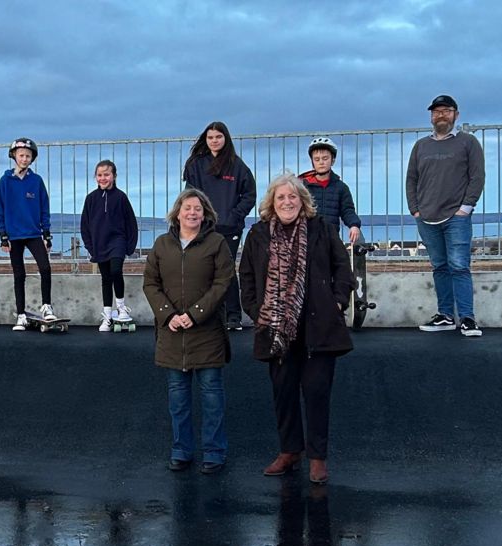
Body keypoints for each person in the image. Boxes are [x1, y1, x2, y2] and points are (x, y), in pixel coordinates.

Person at [239, 173, 354, 485]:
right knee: (284, 393)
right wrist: (256, 311)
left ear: (303, 201)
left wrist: (338, 302)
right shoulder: (258, 234)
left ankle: (317, 458)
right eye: (281, 197)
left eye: (292, 197)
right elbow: (246, 275)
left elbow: (342, 267)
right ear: (271, 203)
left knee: (316, 393)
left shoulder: (321, 229)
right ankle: (290, 451)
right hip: (276, 329)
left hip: (318, 326)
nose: (287, 202)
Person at [143, 187, 234, 474]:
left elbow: (223, 282)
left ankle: (214, 452)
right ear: (177, 213)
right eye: (187, 208)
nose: (192, 213)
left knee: (212, 398)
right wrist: (167, 314)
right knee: (178, 400)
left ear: (205, 214)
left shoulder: (217, 243)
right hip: (172, 336)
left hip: (207, 334)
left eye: (198, 208)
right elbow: (151, 283)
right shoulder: (161, 245)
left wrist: (195, 314)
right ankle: (181, 450)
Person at [406, 94, 486, 337]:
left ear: (456, 115)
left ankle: (468, 319)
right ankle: (445, 316)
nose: (441, 115)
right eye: (436, 112)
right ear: (431, 116)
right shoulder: (421, 146)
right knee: (439, 267)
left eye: (446, 111)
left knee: (459, 267)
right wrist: (415, 209)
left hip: (456, 217)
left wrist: (466, 208)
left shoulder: (468, 142)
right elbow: (411, 179)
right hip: (426, 218)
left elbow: (477, 176)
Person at [183, 121, 257, 330]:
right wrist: (196, 218)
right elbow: (189, 195)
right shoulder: (196, 164)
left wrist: (234, 216)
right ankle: (207, 314)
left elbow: (249, 195)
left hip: (230, 229)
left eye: (218, 137)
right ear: (205, 140)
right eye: (210, 137)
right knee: (204, 271)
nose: (214, 141)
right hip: (203, 228)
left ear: (226, 138)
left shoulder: (237, 166)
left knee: (226, 271)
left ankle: (233, 315)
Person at [0, 137, 59, 330]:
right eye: (21, 155)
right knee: (19, 275)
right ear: (14, 156)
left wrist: (46, 234)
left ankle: (46, 306)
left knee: (45, 268)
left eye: (28, 156)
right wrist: (3, 236)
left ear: (32, 159)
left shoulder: (36, 181)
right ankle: (21, 314)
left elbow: (44, 209)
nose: (24, 159)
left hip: (33, 233)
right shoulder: (5, 181)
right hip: (13, 236)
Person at [80, 159, 138, 331]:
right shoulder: (91, 199)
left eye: (106, 174)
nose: (103, 178)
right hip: (99, 244)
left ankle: (121, 308)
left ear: (114, 176)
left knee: (115, 271)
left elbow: (131, 222)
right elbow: (84, 225)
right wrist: (90, 247)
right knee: (106, 279)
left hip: (117, 241)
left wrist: (130, 246)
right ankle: (107, 316)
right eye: (99, 175)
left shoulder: (121, 197)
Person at [298, 138, 363, 244]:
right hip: (308, 239)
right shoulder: (303, 187)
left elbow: (347, 210)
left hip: (331, 239)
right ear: (312, 162)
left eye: (325, 158)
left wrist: (354, 225)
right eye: (317, 159)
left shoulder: (341, 188)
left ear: (332, 160)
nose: (321, 162)